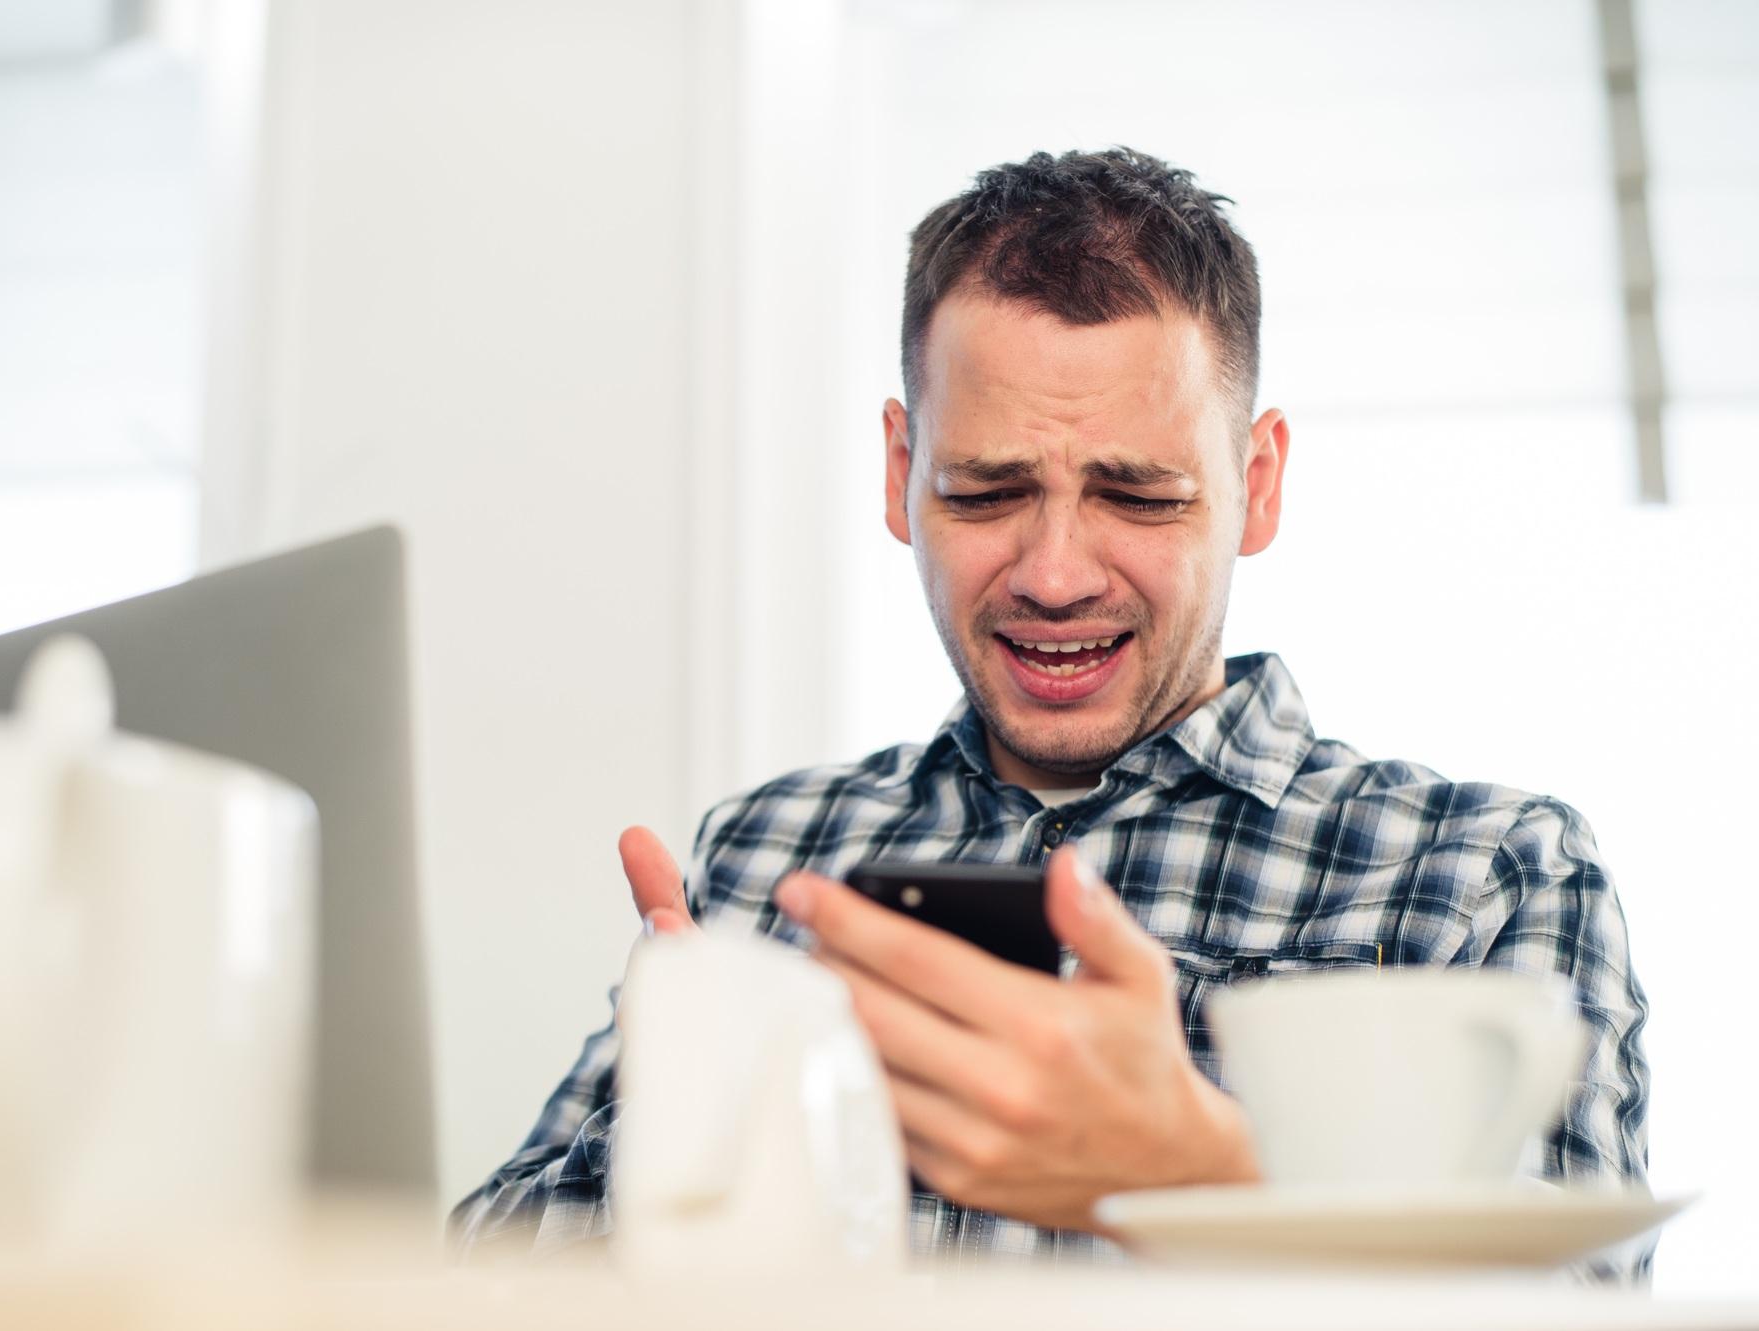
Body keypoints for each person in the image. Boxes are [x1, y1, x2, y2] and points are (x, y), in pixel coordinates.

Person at [448, 147, 1649, 1273]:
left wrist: (1203, 1172)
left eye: (1138, 495)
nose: (1055, 572)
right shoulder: (762, 852)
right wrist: (677, 1134)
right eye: (984, 491)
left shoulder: (1485, 869)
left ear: (1256, 483)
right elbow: (468, 1281)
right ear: (899, 473)